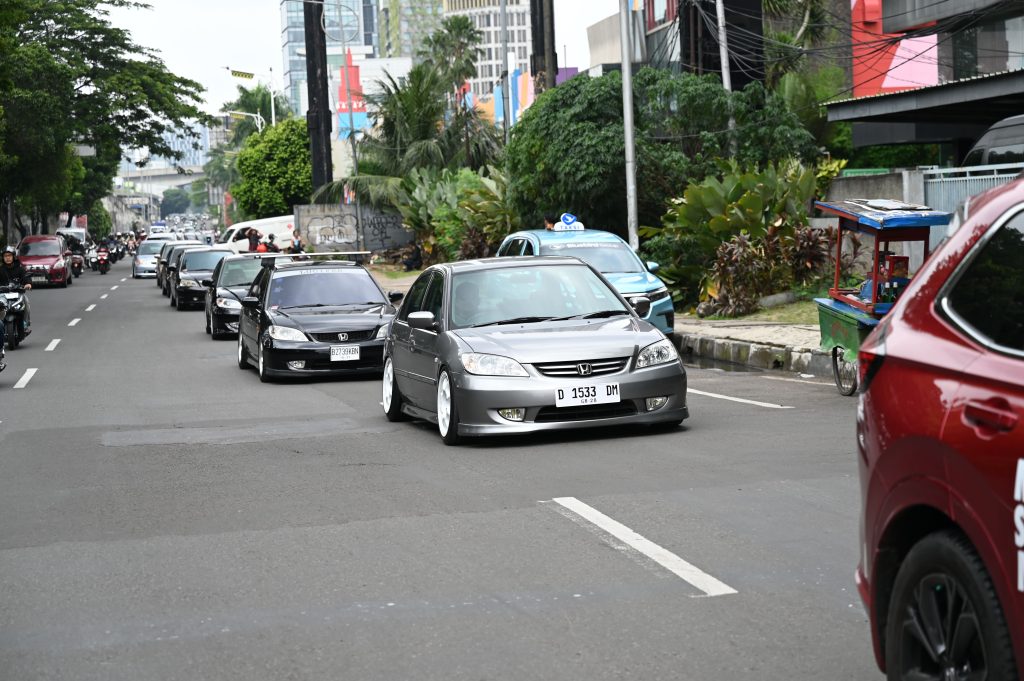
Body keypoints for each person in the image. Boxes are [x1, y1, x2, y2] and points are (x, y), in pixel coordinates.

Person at [0, 247, 32, 370]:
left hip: (17, 294)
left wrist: (28, 283)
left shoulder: (19, 269)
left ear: (14, 256)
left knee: (26, 301)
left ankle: (25, 324)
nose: (7, 258)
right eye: (5, 256)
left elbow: (26, 277)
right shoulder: (1, 270)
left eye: (9, 256)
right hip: (3, 296)